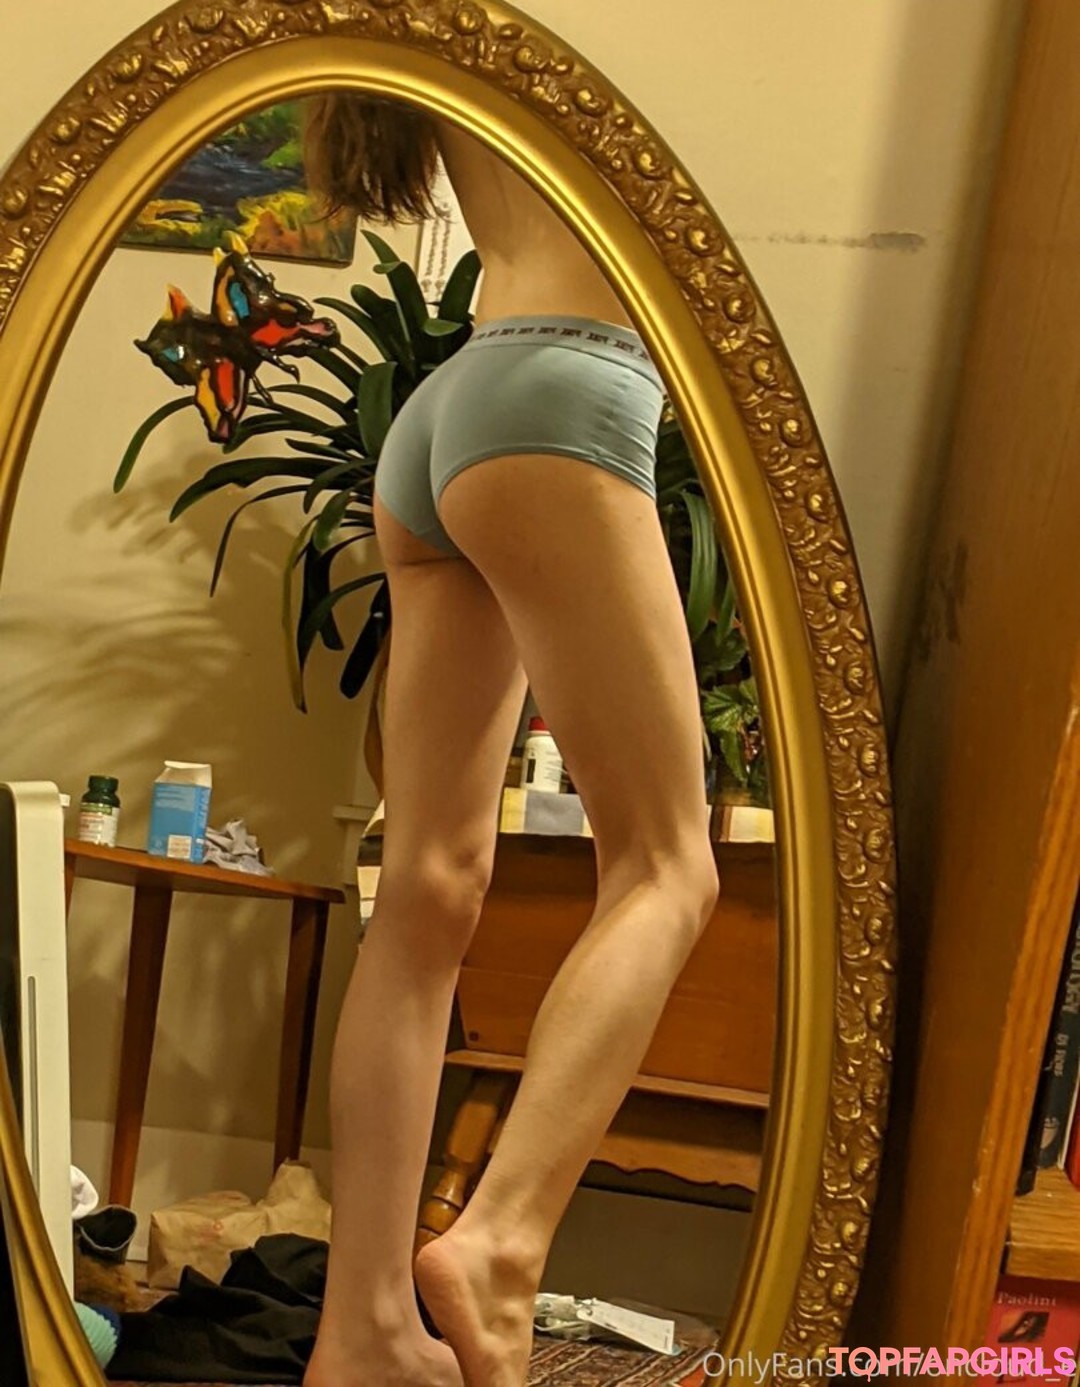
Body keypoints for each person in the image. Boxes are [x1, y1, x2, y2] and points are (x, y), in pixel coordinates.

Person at [302, 95, 720, 1387]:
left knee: (426, 886)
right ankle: (503, 1242)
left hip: (447, 411)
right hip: (563, 387)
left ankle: (363, 1331)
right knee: (669, 865)